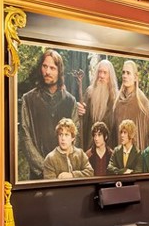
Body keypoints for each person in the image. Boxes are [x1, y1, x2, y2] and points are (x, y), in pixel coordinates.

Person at [20, 49, 79, 180]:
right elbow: (25, 138)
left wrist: (63, 167)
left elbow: (76, 137)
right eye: (45, 66)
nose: (47, 72)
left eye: (52, 68)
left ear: (59, 71)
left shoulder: (70, 101)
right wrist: (46, 168)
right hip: (38, 175)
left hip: (64, 175)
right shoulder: (28, 99)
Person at [113, 60, 149, 152]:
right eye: (123, 72)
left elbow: (147, 132)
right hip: (120, 152)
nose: (125, 76)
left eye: (128, 73)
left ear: (135, 77)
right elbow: (114, 131)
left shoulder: (142, 101)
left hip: (136, 153)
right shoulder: (117, 101)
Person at [80, 59, 117, 139]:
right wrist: (79, 110)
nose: (101, 76)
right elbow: (83, 120)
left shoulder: (115, 97)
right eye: (100, 72)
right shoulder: (89, 93)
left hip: (107, 142)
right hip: (90, 140)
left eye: (105, 73)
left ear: (110, 76)